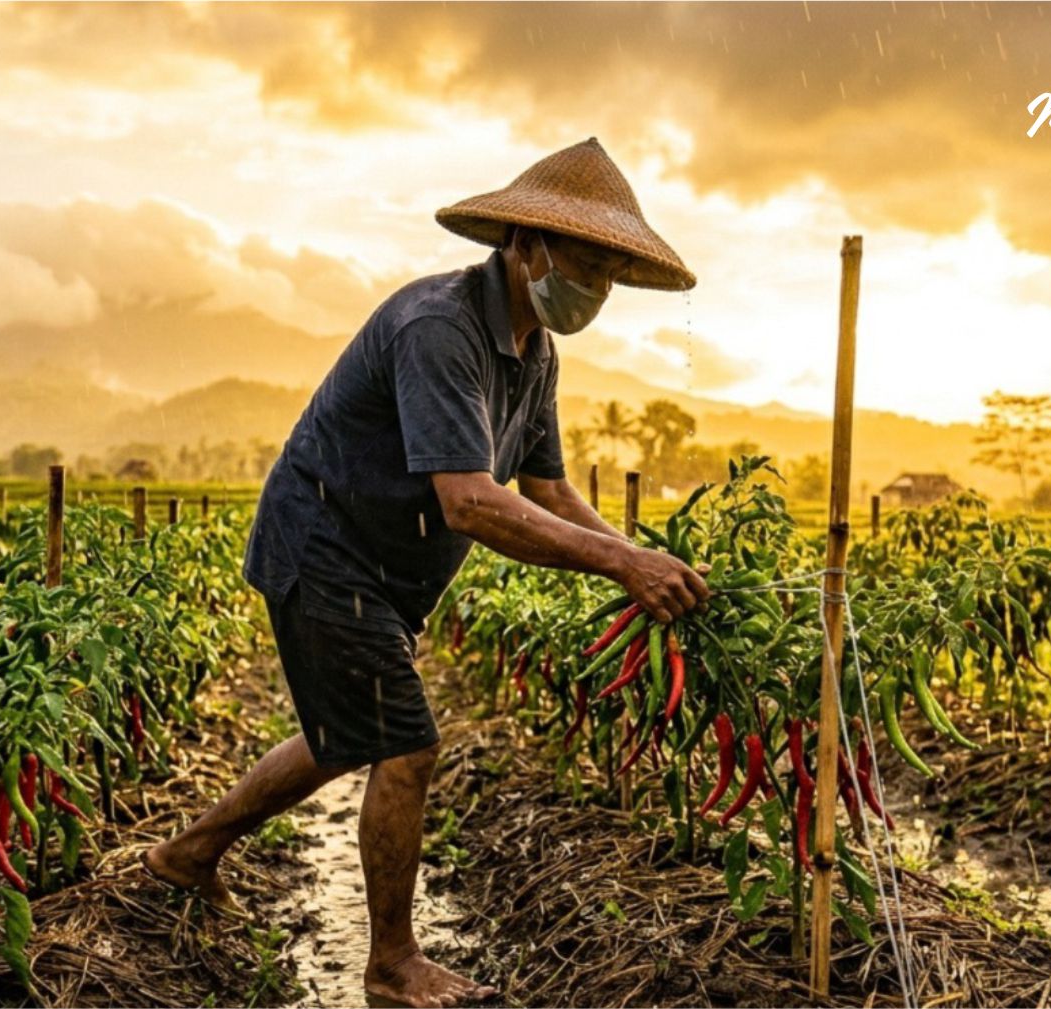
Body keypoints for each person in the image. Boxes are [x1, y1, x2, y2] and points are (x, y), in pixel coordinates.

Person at [143, 137, 707, 1008]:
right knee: (404, 745)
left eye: (607, 274)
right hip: (324, 544)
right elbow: (469, 502)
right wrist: (623, 562)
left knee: (346, 736)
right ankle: (391, 964)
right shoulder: (439, 326)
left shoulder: (534, 353)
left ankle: (185, 855)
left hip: (378, 569)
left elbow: (546, 485)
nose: (594, 290)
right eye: (584, 265)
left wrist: (634, 558)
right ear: (525, 247)